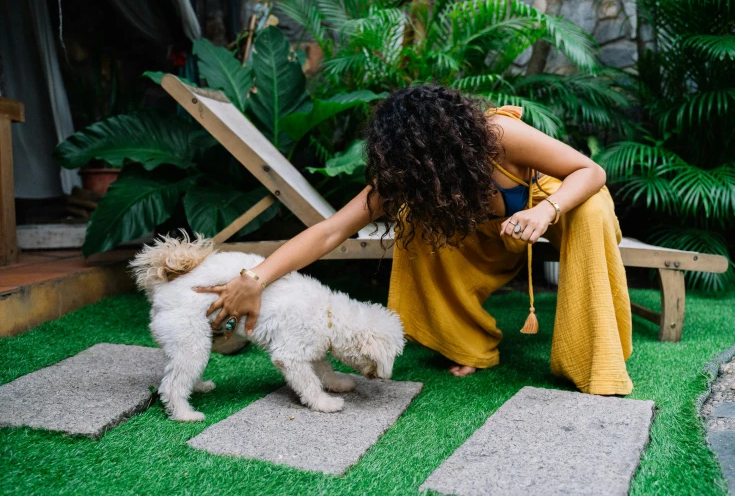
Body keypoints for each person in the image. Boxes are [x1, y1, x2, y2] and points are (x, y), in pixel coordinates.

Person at [196, 84, 634, 396]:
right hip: (487, 234)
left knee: (593, 207)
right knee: (415, 220)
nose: (414, 173)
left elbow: (591, 172)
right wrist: (255, 277)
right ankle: (467, 342)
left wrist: (543, 211)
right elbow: (331, 230)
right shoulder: (410, 175)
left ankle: (596, 360)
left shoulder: (500, 137)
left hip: (556, 204)